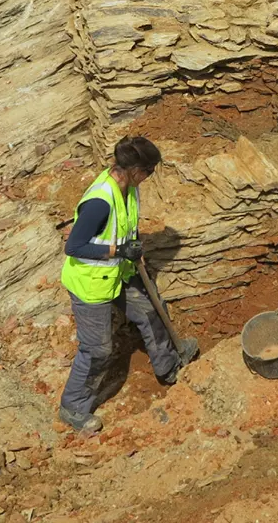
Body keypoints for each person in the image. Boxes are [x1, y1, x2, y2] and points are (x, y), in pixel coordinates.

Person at [58, 136, 197, 433]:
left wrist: (131, 248)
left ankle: (170, 365)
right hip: (91, 286)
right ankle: (73, 407)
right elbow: (74, 246)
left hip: (119, 272)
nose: (149, 179)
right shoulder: (99, 202)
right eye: (149, 173)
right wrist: (118, 251)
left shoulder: (128, 189)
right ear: (135, 171)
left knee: (150, 308)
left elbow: (125, 226)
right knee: (98, 350)